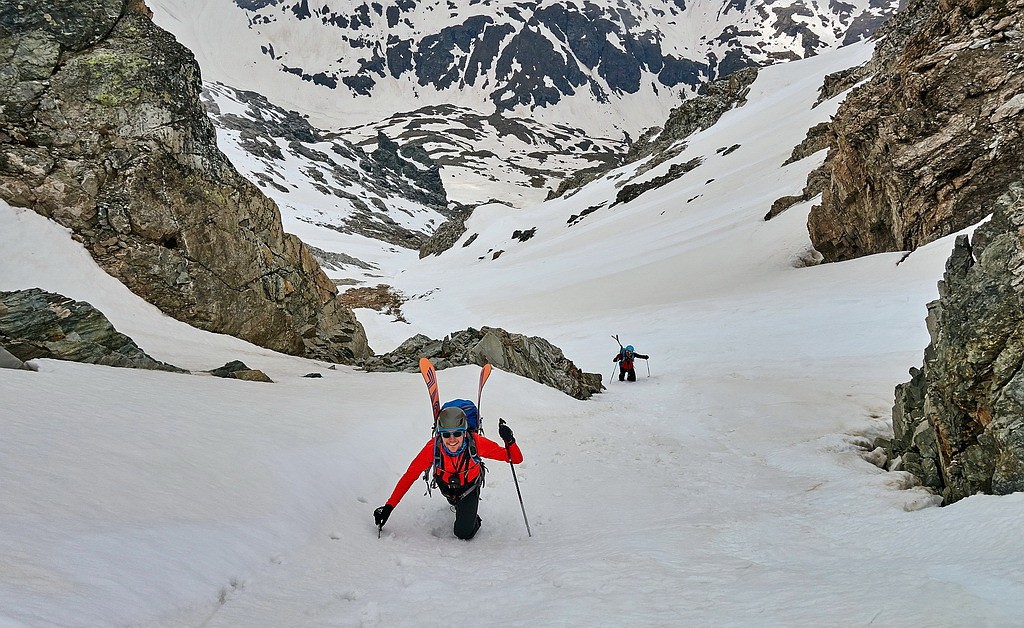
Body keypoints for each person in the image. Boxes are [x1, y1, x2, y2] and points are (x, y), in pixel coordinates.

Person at [373, 406, 523, 540]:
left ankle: (471, 517)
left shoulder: (476, 443)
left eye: (457, 433)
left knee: (463, 533)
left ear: (465, 433)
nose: (452, 439)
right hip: (446, 487)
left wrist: (510, 441)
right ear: (439, 435)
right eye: (446, 435)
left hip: (469, 488)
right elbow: (410, 476)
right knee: (454, 502)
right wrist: (388, 507)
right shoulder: (432, 448)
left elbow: (515, 459)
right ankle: (460, 507)